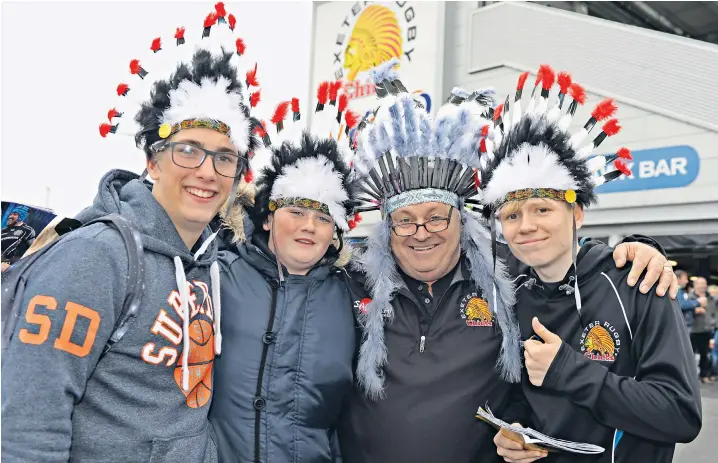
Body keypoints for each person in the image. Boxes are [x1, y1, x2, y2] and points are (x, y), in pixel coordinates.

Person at [336, 59, 678, 463]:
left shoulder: (505, 284)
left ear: (461, 221)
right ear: (387, 228)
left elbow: (527, 382)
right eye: (404, 222)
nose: (421, 232)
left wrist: (640, 248)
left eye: (435, 217)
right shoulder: (348, 284)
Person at [2, 4, 261, 461]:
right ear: (153, 160)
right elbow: (28, 419)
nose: (207, 171)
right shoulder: (95, 258)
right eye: (188, 150)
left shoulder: (209, 263)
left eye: (224, 157)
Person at [482, 64, 701, 462]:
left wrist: (568, 369)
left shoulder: (636, 280)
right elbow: (520, 394)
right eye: (512, 215)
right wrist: (511, 430)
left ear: (577, 214)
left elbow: (681, 413)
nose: (526, 226)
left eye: (541, 209)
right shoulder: (512, 294)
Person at [209, 85, 363, 462]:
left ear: (335, 233)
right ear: (267, 218)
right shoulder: (217, 277)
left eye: (323, 217)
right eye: (296, 212)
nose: (309, 226)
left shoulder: (355, 298)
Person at [690, 276, 715, 383]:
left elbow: (714, 313)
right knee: (690, 355)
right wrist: (694, 310)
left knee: (706, 355)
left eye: (704, 284)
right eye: (700, 284)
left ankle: (704, 375)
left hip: (707, 330)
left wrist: (713, 323)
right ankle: (690, 378)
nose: (703, 286)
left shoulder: (711, 298)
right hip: (693, 330)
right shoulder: (690, 298)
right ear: (695, 285)